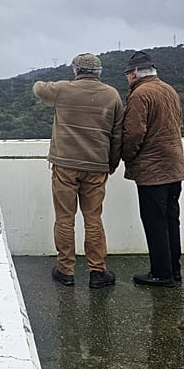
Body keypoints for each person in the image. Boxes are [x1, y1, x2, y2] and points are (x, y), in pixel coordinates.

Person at [33, 53, 123, 289]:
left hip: (65, 165)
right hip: (96, 166)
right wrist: (111, 163)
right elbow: (117, 135)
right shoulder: (112, 95)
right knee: (93, 218)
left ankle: (66, 271)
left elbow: (38, 88)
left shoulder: (63, 90)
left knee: (65, 218)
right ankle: (97, 271)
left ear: (76, 71)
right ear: (99, 72)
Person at [121, 51, 184, 287]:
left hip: (153, 170)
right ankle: (174, 269)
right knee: (171, 218)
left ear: (136, 74)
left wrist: (126, 155)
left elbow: (133, 134)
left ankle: (161, 273)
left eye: (129, 73)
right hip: (174, 166)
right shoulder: (169, 90)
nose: (128, 77)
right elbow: (178, 122)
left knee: (155, 221)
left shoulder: (141, 94)